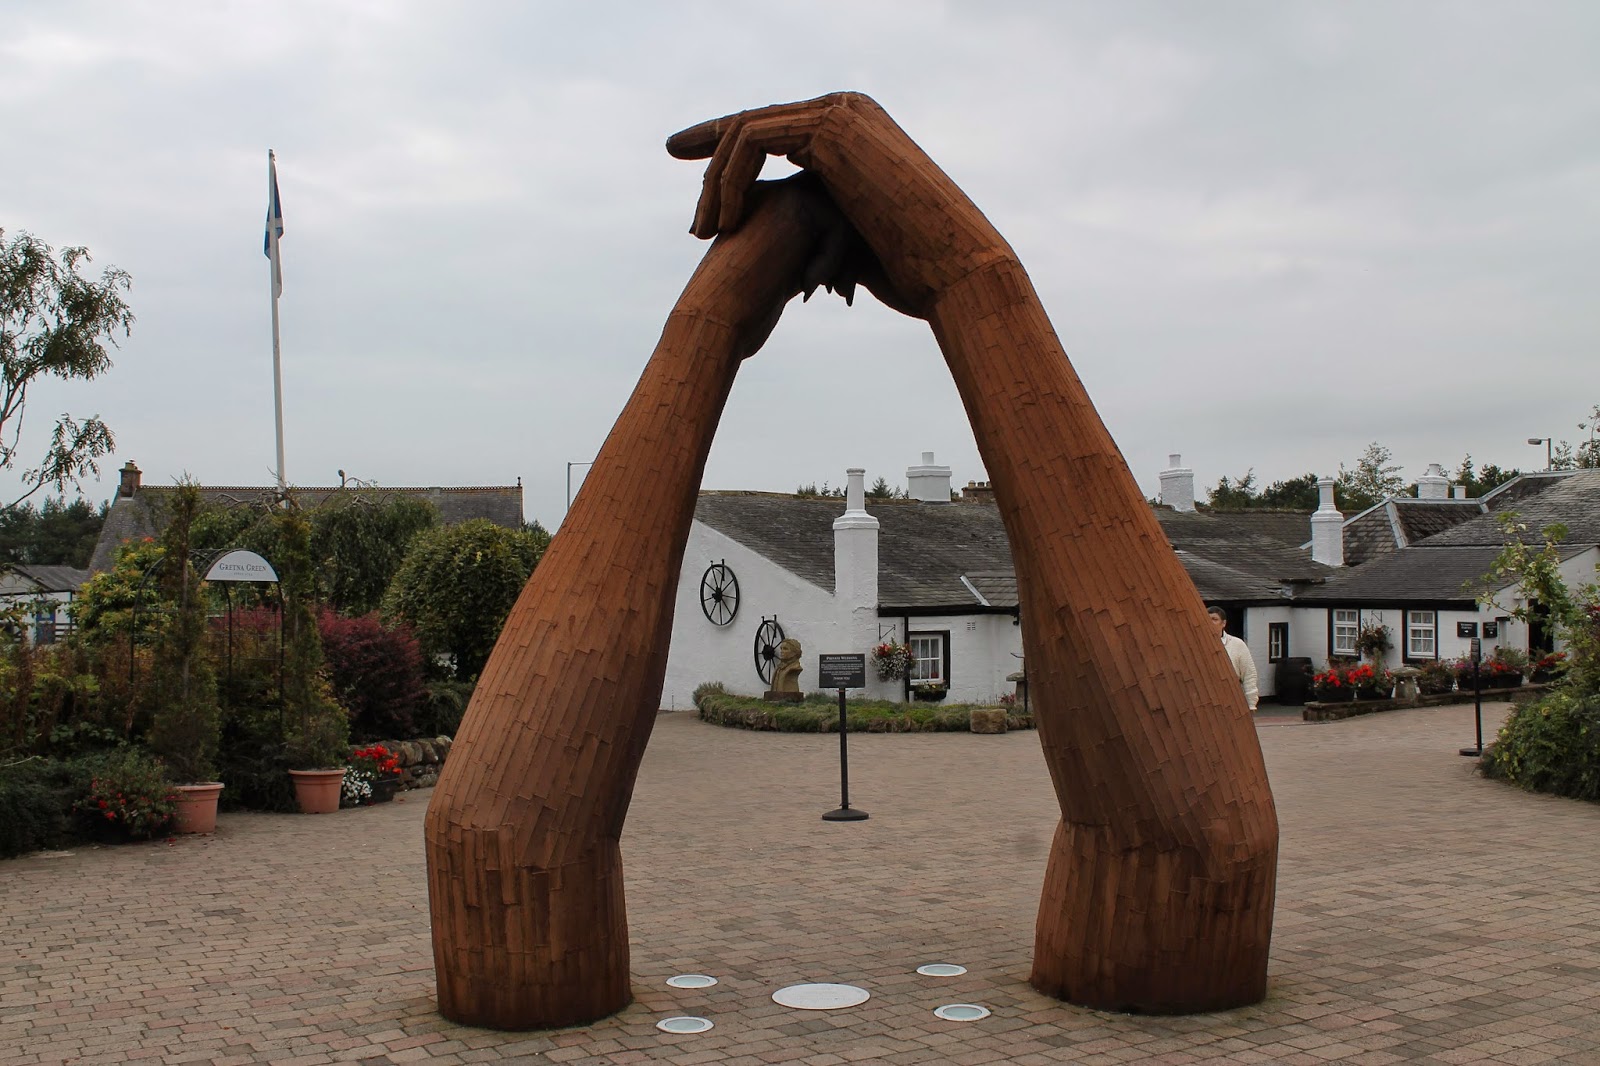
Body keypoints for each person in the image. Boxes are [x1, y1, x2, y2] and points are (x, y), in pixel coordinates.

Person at [1208, 606, 1259, 710]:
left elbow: (1249, 674)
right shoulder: (1197, 645)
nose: (1210, 622)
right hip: (1207, 701)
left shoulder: (1237, 644)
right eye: (1207, 619)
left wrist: (1251, 703)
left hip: (1232, 699)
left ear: (1223, 623)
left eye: (1214, 619)